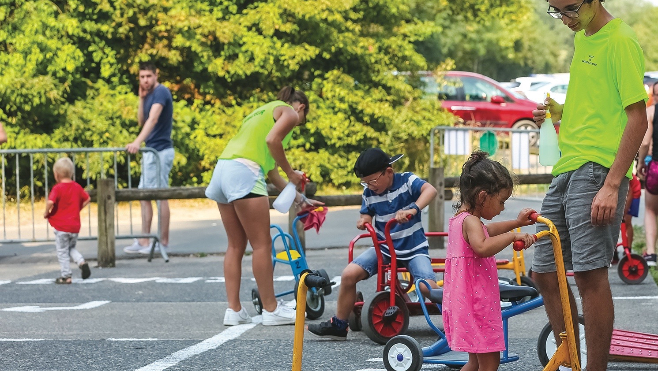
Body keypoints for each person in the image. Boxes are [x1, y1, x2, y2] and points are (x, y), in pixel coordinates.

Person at [532, 1, 648, 370]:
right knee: (543, 273)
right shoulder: (584, 38)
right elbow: (599, 105)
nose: (565, 18)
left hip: (598, 170)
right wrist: (559, 111)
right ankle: (573, 361)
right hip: (566, 166)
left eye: (569, 9)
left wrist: (613, 184)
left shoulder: (621, 41)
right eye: (556, 11)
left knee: (588, 273)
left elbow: (637, 118)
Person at [206, 86, 322, 326]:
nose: (296, 123)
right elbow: (273, 141)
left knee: (235, 245)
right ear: (301, 107)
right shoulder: (289, 112)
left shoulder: (261, 112)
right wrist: (292, 172)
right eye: (301, 119)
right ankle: (271, 309)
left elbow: (271, 171)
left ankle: (234, 311)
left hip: (222, 170)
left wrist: (301, 199)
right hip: (244, 173)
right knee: (261, 244)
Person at [308, 147, 439, 340]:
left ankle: (456, 320)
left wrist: (413, 208)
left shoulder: (407, 181)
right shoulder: (369, 192)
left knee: (426, 286)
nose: (369, 186)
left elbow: (431, 190)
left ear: (389, 171)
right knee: (348, 275)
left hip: (413, 248)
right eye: (365, 182)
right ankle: (339, 324)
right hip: (384, 247)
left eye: (373, 180)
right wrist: (364, 220)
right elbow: (366, 212)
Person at [442, 151, 535, 371]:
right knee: (489, 363)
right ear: (483, 196)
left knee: (474, 363)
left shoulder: (460, 220)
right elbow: (482, 247)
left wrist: (516, 223)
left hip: (466, 306)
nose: (502, 207)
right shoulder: (471, 222)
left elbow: (489, 230)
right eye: (501, 201)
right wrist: (513, 236)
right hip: (478, 306)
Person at [124, 62, 175, 255]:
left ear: (156, 75)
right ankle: (144, 240)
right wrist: (140, 98)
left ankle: (163, 242)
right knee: (144, 195)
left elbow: (153, 120)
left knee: (160, 197)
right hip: (151, 151)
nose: (145, 80)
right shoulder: (148, 95)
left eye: (148, 76)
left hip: (161, 151)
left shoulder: (161, 92)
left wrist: (137, 142)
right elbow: (142, 120)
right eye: (142, 77)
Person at [44, 157, 91, 284]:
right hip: (74, 226)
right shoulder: (77, 187)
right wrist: (78, 209)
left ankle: (66, 275)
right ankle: (81, 262)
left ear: (56, 174)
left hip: (61, 226)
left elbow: (50, 202)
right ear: (72, 173)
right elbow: (87, 199)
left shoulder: (58, 188)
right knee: (70, 248)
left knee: (62, 251)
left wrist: (46, 212)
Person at [637, 82, 658, 266]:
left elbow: (644, 143)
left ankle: (651, 253)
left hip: (656, 168)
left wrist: (641, 162)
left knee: (651, 210)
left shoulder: (651, 112)